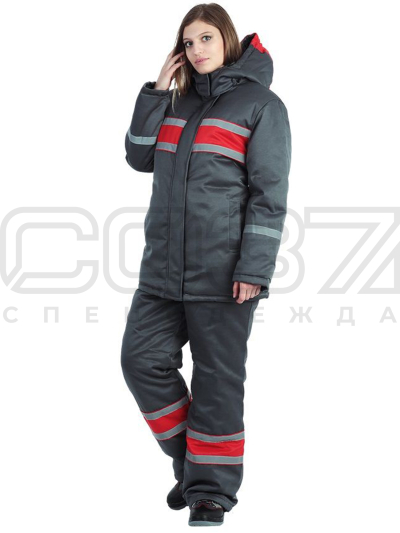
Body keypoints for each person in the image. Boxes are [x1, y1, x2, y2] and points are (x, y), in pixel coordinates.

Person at [121, 3, 291, 527]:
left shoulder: (261, 105)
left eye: (206, 38)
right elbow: (138, 156)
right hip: (161, 268)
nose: (196, 50)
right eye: (188, 42)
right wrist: (157, 90)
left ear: (228, 40)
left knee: (218, 381)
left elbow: (269, 195)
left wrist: (254, 269)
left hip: (223, 272)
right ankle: (196, 465)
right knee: (140, 361)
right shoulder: (175, 101)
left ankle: (210, 493)